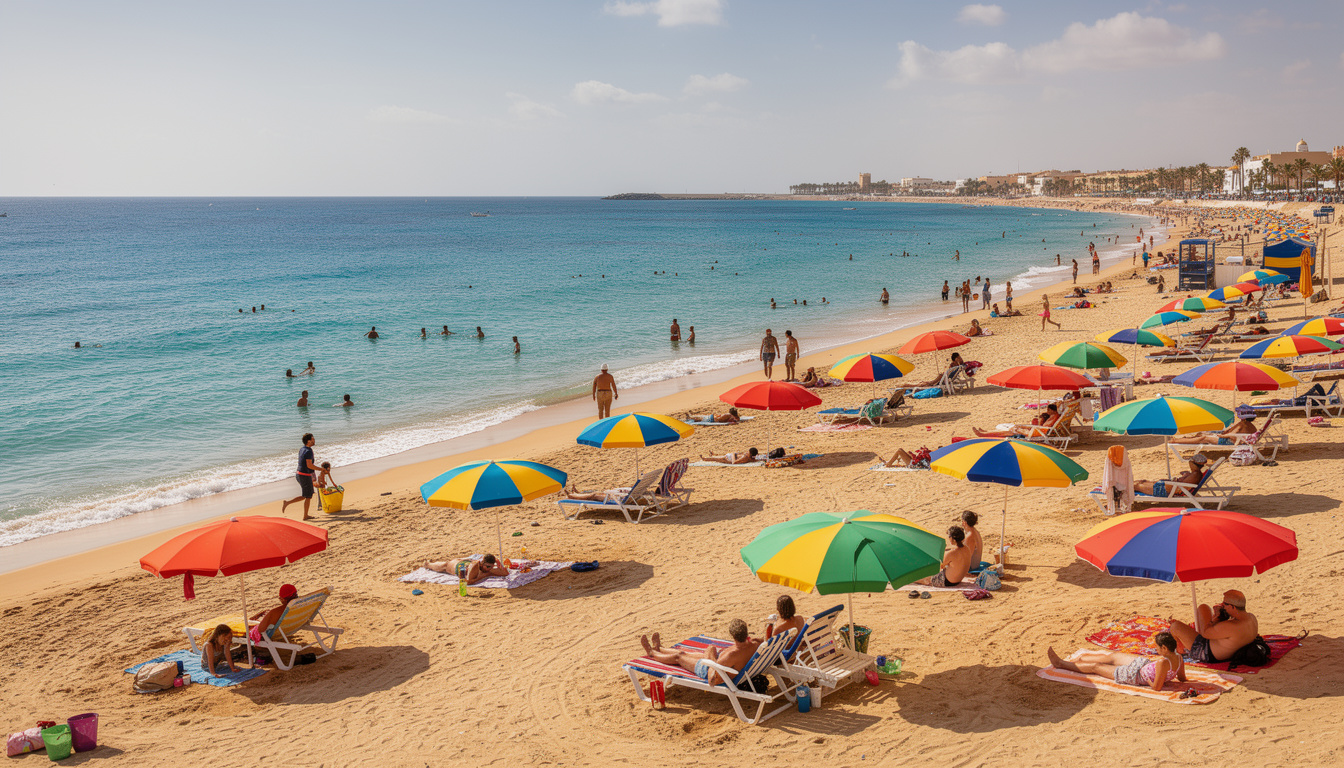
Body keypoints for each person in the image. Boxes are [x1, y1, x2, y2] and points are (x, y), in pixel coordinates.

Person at [1046, 632, 1186, 692]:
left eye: (1157, 647)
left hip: (1134, 675)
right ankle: (1081, 660)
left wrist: (1148, 679)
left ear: (1164, 648)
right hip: (1144, 664)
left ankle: (1060, 664)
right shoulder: (1179, 658)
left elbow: (1156, 687)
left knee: (1096, 667)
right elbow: (1182, 678)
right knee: (1114, 657)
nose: (1156, 649)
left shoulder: (1163, 663)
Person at [639, 619, 760, 686]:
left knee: (679, 657)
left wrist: (710, 657)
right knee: (686, 653)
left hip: (710, 670)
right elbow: (767, 639)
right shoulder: (756, 644)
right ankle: (660, 648)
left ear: (732, 635)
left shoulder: (731, 655)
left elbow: (712, 681)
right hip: (725, 665)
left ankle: (652, 653)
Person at [1168, 589, 1259, 664]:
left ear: (1233, 607)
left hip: (1206, 652)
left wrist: (1216, 618)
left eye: (1224, 604)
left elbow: (1205, 633)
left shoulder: (1231, 626)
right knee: (1203, 607)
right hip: (1226, 650)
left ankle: (1180, 649)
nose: (1222, 605)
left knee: (1175, 626)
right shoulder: (1251, 618)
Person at [1170, 406, 1258, 444]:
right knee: (1203, 434)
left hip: (1231, 442)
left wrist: (1221, 435)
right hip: (1239, 440)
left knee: (1204, 438)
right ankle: (1184, 439)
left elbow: (1232, 435)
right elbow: (1233, 430)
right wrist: (1227, 431)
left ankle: (1176, 441)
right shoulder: (1250, 425)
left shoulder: (1242, 424)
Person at [281, 433, 318, 520]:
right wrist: (321, 469)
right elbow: (309, 465)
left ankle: (288, 504)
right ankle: (305, 515)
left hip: (300, 474)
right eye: (313, 439)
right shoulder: (308, 451)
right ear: (308, 441)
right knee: (308, 496)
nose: (314, 440)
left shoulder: (302, 449)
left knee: (307, 495)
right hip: (304, 475)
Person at [1134, 454, 1207, 498]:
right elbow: (1185, 483)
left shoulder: (1195, 475)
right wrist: (1185, 475)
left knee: (1137, 485)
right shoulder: (1195, 474)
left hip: (1163, 490)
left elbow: (1180, 487)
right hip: (1163, 486)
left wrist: (1174, 480)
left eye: (1190, 462)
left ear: (1194, 465)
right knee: (1142, 481)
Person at [973, 403, 1061, 438]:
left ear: (1053, 410)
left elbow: (1043, 428)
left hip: (1035, 433)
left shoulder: (1053, 417)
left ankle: (984, 434)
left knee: (1008, 432)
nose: (1047, 411)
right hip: (1036, 431)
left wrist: (1038, 422)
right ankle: (986, 432)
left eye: (1048, 410)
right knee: (1009, 430)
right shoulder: (1054, 416)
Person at [425, 554, 508, 584]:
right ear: (482, 563)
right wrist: (485, 575)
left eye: (492, 566)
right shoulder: (475, 566)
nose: (490, 569)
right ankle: (428, 564)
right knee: (445, 566)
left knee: (449, 563)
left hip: (466, 563)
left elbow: (505, 573)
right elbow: (468, 582)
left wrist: (498, 563)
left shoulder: (488, 568)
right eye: (488, 567)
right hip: (458, 566)